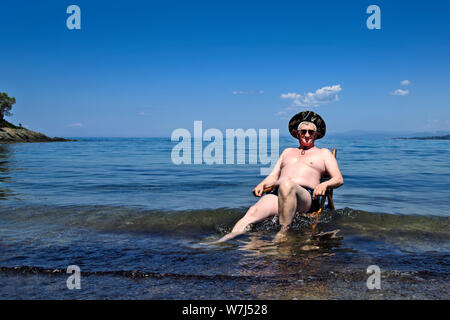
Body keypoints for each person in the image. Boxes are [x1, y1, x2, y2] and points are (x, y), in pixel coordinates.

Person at [215, 111, 343, 243]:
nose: (307, 135)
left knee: (287, 185)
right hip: (278, 193)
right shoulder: (287, 152)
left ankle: (283, 233)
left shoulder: (324, 153)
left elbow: (338, 179)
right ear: (297, 133)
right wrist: (262, 184)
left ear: (316, 134)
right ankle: (225, 239)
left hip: (305, 197)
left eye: (311, 132)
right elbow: (273, 176)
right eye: (303, 131)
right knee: (253, 211)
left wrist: (324, 184)